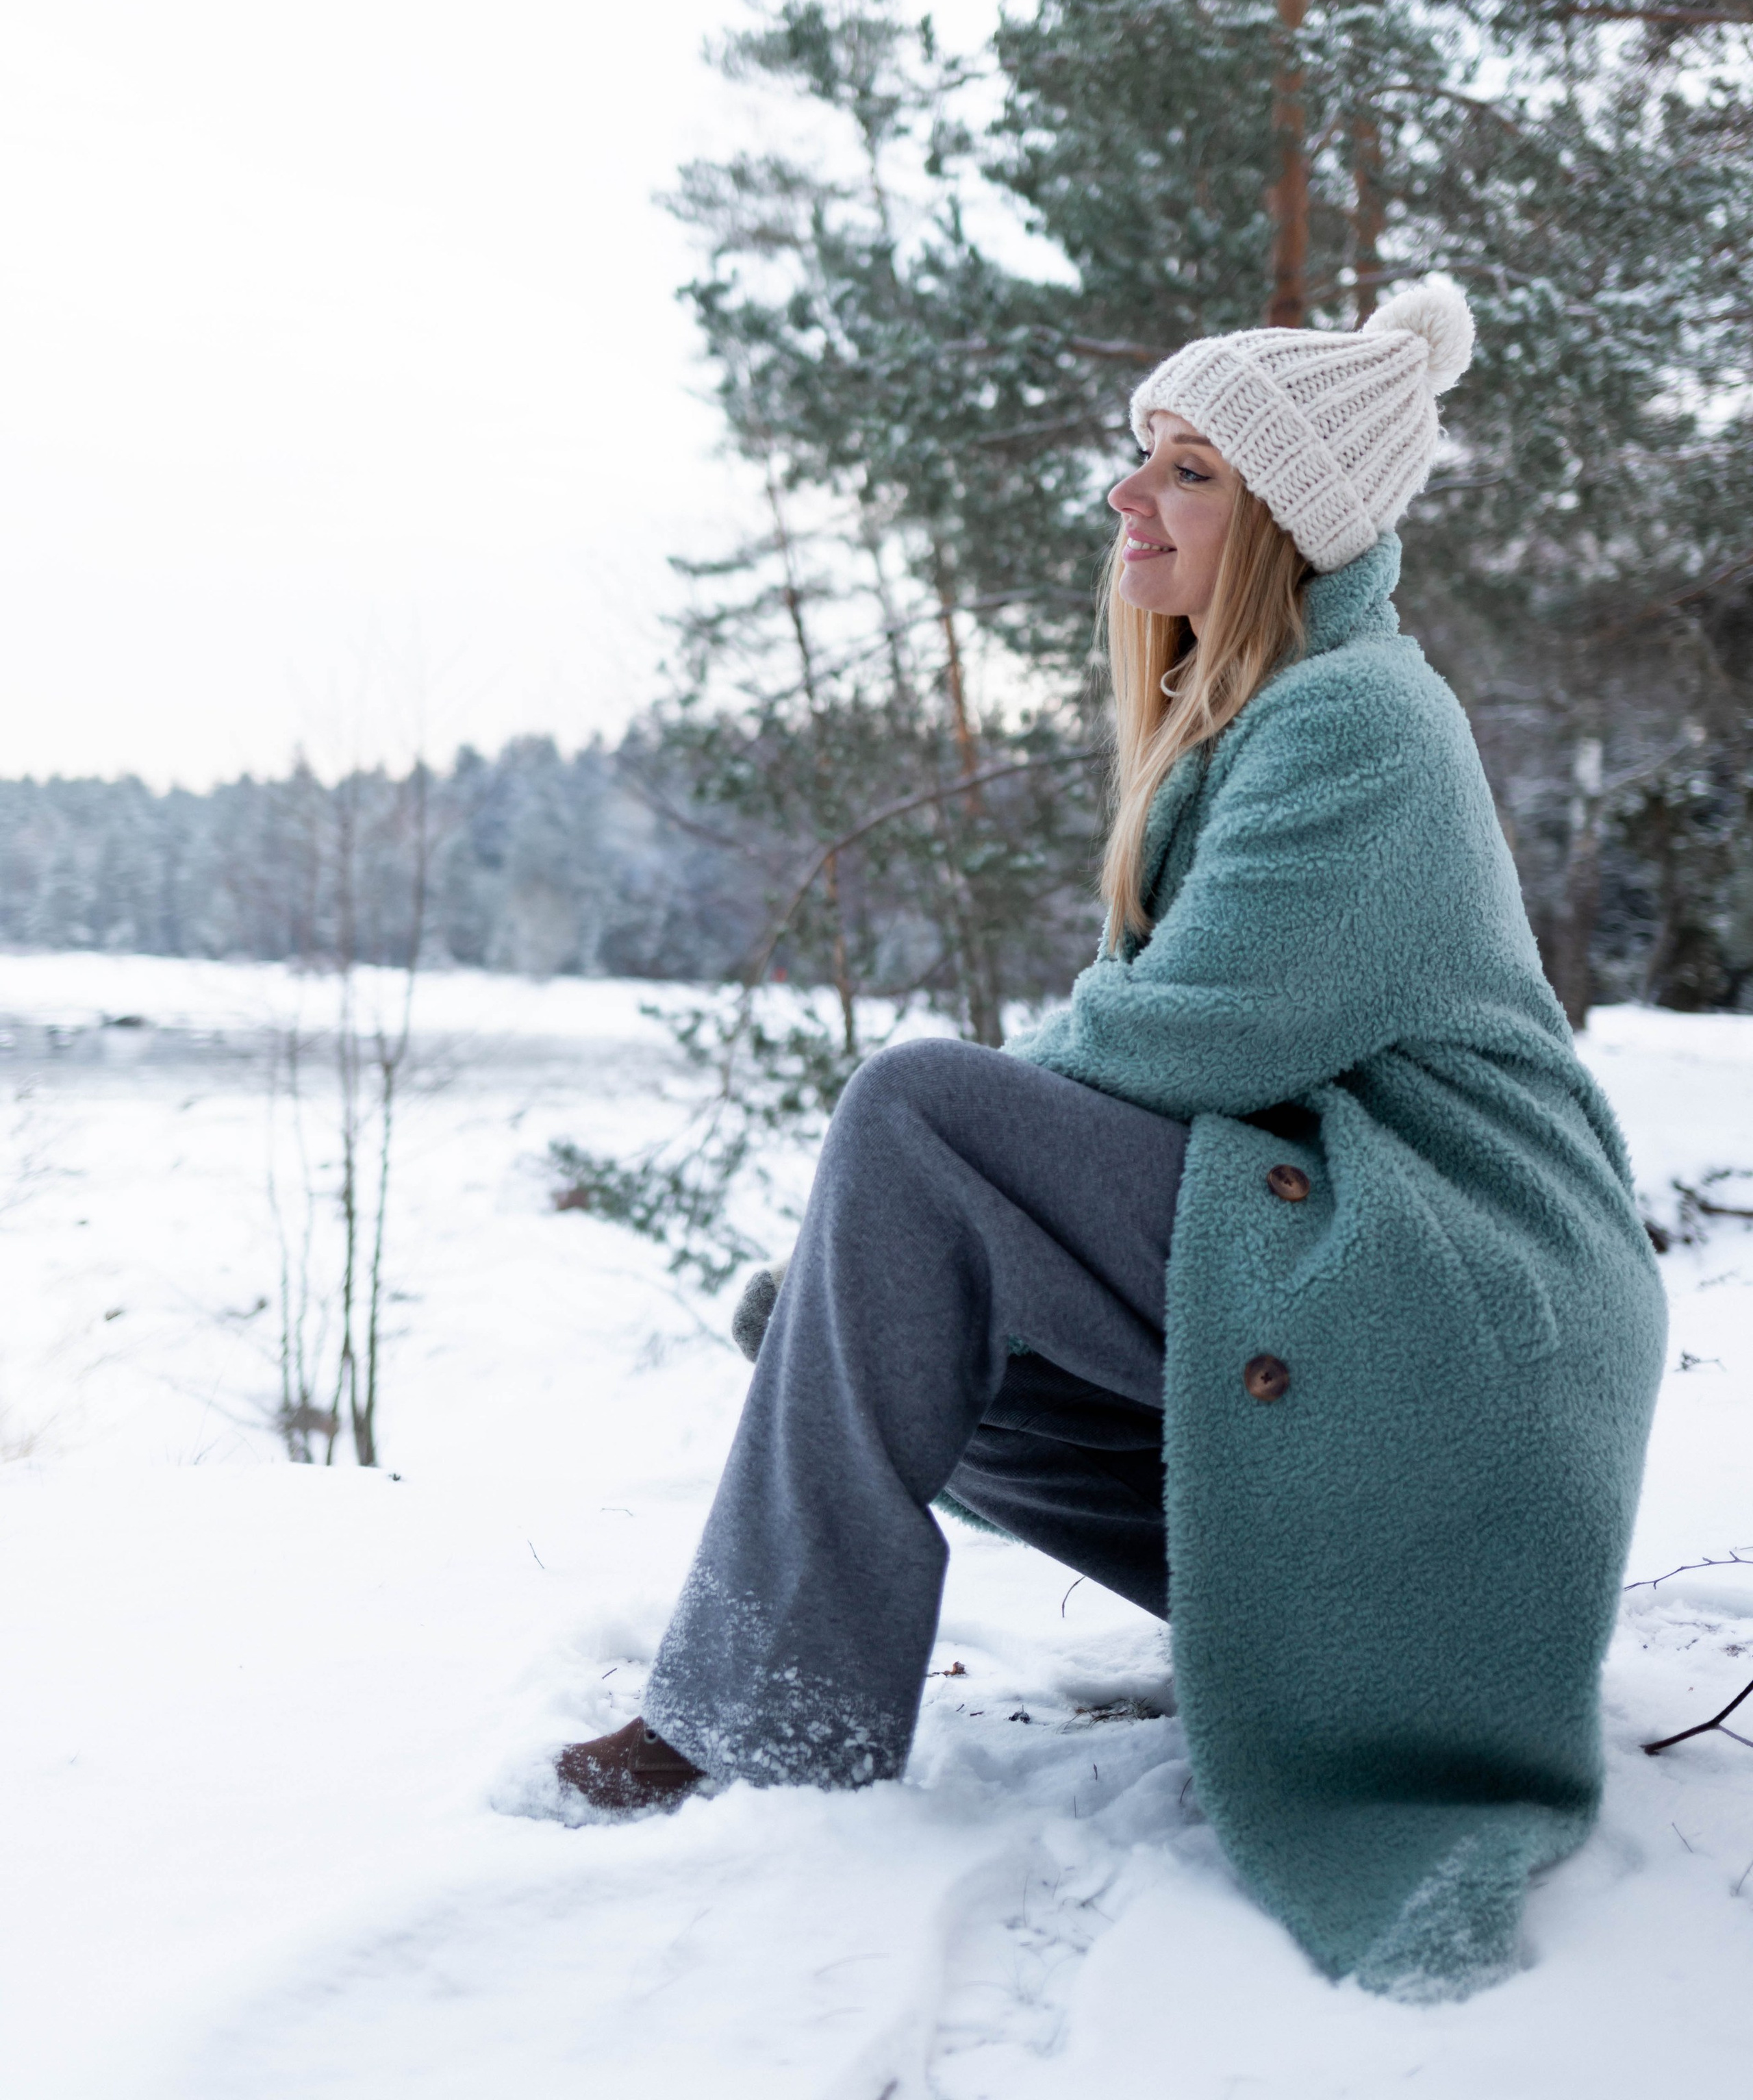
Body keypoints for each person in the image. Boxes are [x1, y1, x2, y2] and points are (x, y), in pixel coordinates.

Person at [554, 278, 1666, 2000]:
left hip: (1459, 1280)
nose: (1129, 496)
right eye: (1140, 456)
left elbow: (1198, 1032)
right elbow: (1168, 1047)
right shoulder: (1256, 720)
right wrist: (889, 1246)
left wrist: (932, 1159)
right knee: (866, 1324)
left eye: (1191, 468)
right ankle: (1275, 1623)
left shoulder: (1359, 715)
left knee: (911, 1112)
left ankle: (761, 1710)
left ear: (1290, 523)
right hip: (1359, 1251)